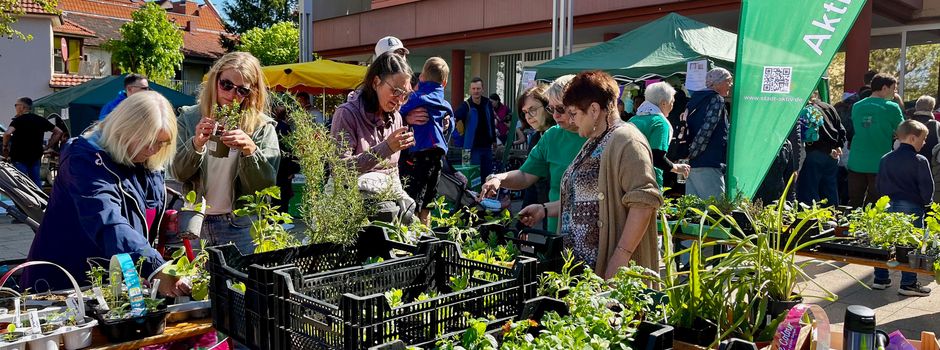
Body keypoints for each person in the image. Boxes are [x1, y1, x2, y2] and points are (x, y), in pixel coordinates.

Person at [22, 91, 186, 296]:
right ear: (125, 129)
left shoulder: (146, 163)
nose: (154, 150)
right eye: (149, 141)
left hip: (113, 282)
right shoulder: (84, 160)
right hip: (66, 283)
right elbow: (107, 220)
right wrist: (154, 267)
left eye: (162, 143)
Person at [518, 71, 662, 278]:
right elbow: (583, 198)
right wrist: (544, 209)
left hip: (609, 270)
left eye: (574, 113)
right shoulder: (594, 140)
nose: (571, 120)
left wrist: (620, 257)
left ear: (594, 110)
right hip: (583, 270)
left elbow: (644, 202)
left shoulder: (627, 140)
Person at [172, 52, 280, 255]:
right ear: (215, 80)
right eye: (226, 85)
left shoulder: (261, 127)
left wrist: (250, 151)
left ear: (252, 92)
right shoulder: (189, 117)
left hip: (241, 224)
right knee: (197, 276)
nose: (232, 94)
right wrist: (196, 144)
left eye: (242, 90)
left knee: (243, 276)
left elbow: (265, 186)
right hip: (197, 222)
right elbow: (178, 172)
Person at [479, 75, 587, 232]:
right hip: (556, 229)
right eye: (552, 109)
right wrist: (498, 179)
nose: (555, 115)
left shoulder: (599, 137)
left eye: (560, 109)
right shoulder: (552, 135)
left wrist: (544, 209)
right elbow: (525, 175)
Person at [332, 51, 418, 222]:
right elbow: (339, 169)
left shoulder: (396, 117)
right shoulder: (347, 114)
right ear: (376, 82)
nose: (400, 100)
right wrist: (386, 148)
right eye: (396, 91)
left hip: (388, 199)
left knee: (413, 222)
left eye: (406, 95)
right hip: (352, 205)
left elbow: (393, 170)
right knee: (384, 211)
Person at [873, 120, 933, 296]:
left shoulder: (885, 158)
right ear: (913, 138)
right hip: (911, 205)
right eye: (923, 139)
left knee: (885, 243)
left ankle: (880, 278)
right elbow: (926, 186)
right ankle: (908, 283)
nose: (924, 142)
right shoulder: (919, 160)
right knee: (909, 245)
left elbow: (878, 184)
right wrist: (927, 203)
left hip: (887, 204)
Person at [398, 57, 453, 225]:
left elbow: (395, 113)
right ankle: (426, 234)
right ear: (444, 83)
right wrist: (447, 124)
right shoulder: (445, 104)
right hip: (437, 159)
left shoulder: (416, 98)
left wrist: (404, 117)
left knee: (413, 202)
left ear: (421, 78)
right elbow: (450, 123)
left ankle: (412, 237)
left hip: (418, 157)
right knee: (428, 203)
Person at [846, 73, 904, 208]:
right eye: (894, 88)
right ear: (884, 88)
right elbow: (903, 131)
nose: (895, 93)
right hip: (879, 162)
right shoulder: (892, 107)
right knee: (874, 205)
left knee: (854, 202)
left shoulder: (857, 106)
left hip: (856, 160)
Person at [684, 68, 733, 200]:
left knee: (693, 207)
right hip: (708, 162)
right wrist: (693, 153)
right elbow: (707, 129)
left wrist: (688, 155)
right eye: (728, 81)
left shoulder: (694, 99)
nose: (731, 84)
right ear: (718, 83)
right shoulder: (716, 99)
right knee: (715, 208)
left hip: (691, 164)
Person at [630, 82, 690, 188]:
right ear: (663, 103)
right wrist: (676, 168)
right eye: (672, 102)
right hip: (648, 181)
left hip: (626, 178)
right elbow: (657, 157)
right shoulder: (660, 123)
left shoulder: (632, 120)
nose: (672, 106)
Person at [796, 94, 847, 205]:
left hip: (813, 154)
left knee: (809, 191)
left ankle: (811, 215)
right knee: (830, 189)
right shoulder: (828, 107)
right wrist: (838, 146)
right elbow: (841, 129)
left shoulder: (803, 110)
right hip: (833, 156)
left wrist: (828, 150)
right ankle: (832, 213)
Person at [3, 97, 64, 187]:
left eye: (16, 105)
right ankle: (39, 196)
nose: (15, 107)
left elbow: (7, 133)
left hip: (19, 156)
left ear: (22, 107)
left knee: (21, 183)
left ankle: (23, 196)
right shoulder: (40, 120)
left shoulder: (18, 120)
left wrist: (5, 146)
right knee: (36, 182)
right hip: (35, 156)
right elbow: (59, 132)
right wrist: (47, 146)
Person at [516, 83, 555, 209]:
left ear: (549, 106)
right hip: (542, 208)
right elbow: (530, 181)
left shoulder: (562, 135)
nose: (528, 116)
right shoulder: (535, 138)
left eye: (532, 110)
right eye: (525, 112)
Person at [454, 77, 497, 179]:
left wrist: (494, 140)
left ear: (483, 89)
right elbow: (455, 118)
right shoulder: (465, 106)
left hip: (487, 147)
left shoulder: (487, 103)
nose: (476, 91)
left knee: (488, 177)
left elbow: (491, 122)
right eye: (473, 89)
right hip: (469, 148)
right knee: (471, 178)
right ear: (470, 90)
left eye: (478, 88)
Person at [272, 105, 300, 214]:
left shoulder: (271, 126)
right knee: (283, 196)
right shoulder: (285, 128)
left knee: (274, 195)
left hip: (274, 165)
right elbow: (290, 149)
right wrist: (292, 169)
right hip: (284, 167)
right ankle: (281, 218)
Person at [910, 96, 939, 161]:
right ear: (932, 108)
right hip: (930, 163)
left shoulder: (908, 124)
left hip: (909, 162)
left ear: (916, 107)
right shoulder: (936, 125)